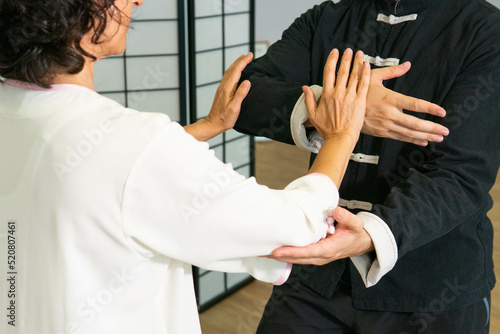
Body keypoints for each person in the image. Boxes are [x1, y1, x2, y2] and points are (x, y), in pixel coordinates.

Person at [0, 0, 378, 333]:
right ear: (73, 14)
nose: (137, 1)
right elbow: (295, 228)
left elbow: (104, 171)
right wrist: (341, 135)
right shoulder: (134, 144)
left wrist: (204, 129)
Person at [235, 0, 500, 333]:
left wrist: (374, 234)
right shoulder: (326, 18)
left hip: (432, 287)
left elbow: (461, 174)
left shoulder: (485, 29)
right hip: (315, 272)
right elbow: (242, 96)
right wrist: (341, 108)